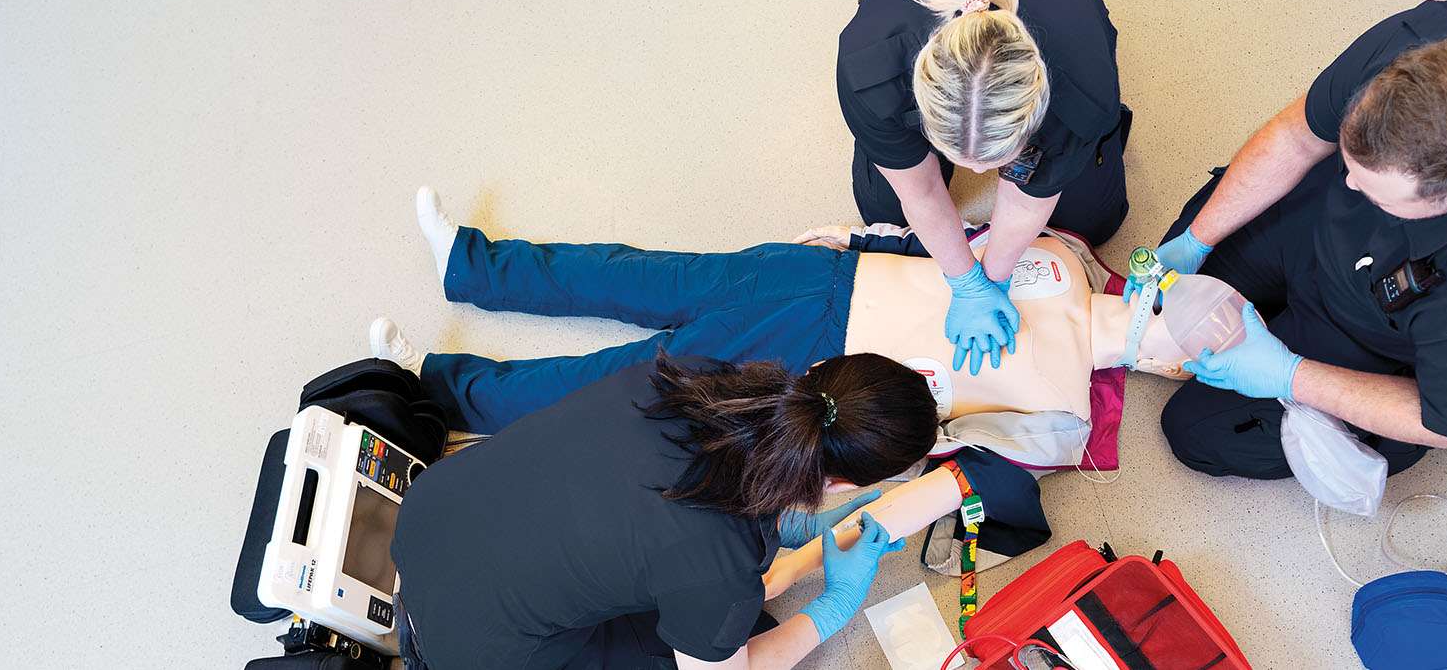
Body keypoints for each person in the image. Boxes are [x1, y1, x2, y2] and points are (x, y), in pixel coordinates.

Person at [1144, 0, 1447, 479]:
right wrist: (1196, 240)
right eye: (1351, 165)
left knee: (1198, 430)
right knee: (1167, 294)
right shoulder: (1423, 51)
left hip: (1398, 325)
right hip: (1324, 229)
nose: (1351, 185)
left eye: (1373, 189)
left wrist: (1288, 374)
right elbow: (1296, 139)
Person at [377, 187, 1203, 437]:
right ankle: (470, 262)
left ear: (1168, 367)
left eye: (1176, 342)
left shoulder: (1064, 406)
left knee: (616, 384)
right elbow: (941, 243)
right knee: (639, 276)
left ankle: (433, 389)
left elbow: (943, 440)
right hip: (817, 278)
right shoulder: (1065, 259)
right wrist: (852, 235)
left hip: (809, 361)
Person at [390, 352, 940, 670]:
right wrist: (834, 607)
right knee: (744, 629)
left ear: (819, 368)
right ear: (843, 482)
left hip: (428, 519)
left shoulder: (703, 379)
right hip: (471, 649)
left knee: (708, 601)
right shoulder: (718, 561)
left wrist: (793, 540)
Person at [838, 0, 1130, 374]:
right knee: (885, 214)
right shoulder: (868, 69)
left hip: (1054, 0)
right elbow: (920, 192)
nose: (976, 171)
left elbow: (1029, 199)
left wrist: (993, 277)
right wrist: (965, 283)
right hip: (903, 35)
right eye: (963, 156)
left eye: (992, 160)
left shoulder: (1081, 87)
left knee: (1088, 222)